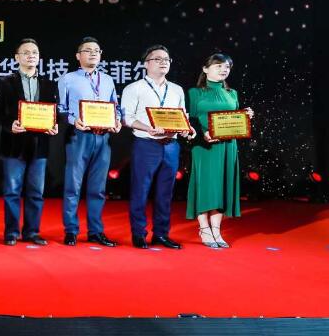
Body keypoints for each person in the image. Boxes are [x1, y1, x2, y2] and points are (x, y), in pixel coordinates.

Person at [120, 45, 195, 250]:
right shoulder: (134, 88)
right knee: (140, 191)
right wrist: (148, 128)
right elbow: (126, 118)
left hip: (171, 146)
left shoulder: (177, 89)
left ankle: (161, 234)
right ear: (146, 64)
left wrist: (187, 129)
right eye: (158, 59)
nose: (163, 62)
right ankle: (139, 234)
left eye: (167, 59)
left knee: (165, 193)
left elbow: (183, 116)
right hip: (146, 144)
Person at [57, 36, 121, 247]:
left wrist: (117, 121)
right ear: (78, 56)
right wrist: (74, 121)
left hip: (103, 137)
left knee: (98, 189)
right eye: (88, 50)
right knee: (73, 187)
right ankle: (71, 231)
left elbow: (115, 106)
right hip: (79, 136)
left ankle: (96, 231)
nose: (93, 53)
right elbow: (60, 109)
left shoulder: (108, 80)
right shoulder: (67, 79)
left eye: (97, 50)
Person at [0, 39, 57, 247]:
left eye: (35, 53)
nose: (31, 56)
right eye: (26, 52)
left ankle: (32, 232)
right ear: (17, 57)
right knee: (12, 191)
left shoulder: (49, 84)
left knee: (36, 192)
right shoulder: (6, 83)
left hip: (40, 144)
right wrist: (9, 124)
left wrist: (55, 125)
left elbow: (55, 113)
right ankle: (11, 232)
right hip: (13, 144)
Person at [186, 53, 254, 248]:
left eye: (227, 67)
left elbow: (233, 119)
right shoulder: (194, 93)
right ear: (205, 69)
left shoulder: (232, 93)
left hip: (228, 146)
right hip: (204, 146)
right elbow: (189, 119)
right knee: (206, 186)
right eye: (219, 66)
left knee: (222, 187)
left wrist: (245, 115)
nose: (224, 69)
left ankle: (216, 230)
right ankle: (204, 228)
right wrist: (203, 135)